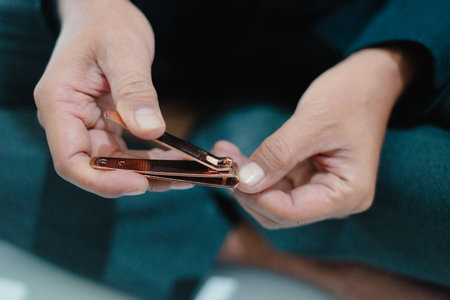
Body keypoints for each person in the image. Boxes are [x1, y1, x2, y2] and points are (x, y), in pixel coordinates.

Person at [1, 0, 449, 298]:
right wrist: (90, 7)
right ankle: (255, 245)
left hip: (368, 33)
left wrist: (388, 67)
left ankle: (218, 138)